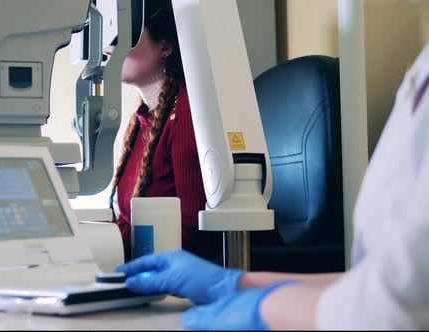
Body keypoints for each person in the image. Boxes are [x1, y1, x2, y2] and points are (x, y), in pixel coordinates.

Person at [114, 26, 429, 332]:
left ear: (165, 45)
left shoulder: (186, 111)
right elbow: (379, 283)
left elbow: (394, 306)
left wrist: (260, 307)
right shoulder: (421, 75)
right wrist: (237, 286)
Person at [108, 0, 221, 263]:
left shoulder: (185, 114)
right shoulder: (142, 121)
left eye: (128, 36)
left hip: (183, 274)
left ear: (166, 46)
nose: (110, 49)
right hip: (155, 264)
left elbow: (192, 231)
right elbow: (128, 223)